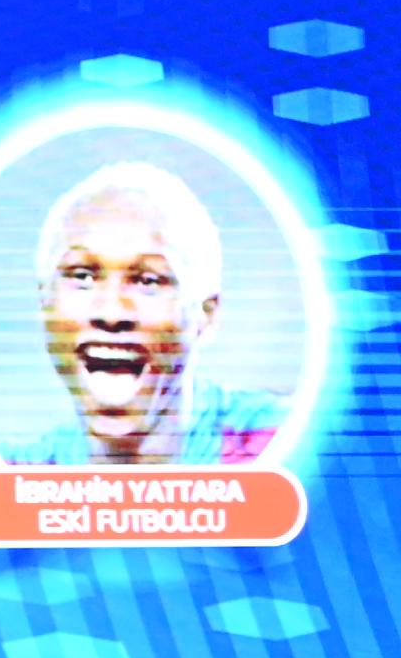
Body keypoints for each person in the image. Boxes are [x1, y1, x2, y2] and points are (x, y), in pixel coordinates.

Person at [21, 162, 284, 464]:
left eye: (148, 281)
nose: (112, 312)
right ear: (44, 302)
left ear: (206, 313)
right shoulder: (8, 474)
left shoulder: (284, 444)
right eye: (82, 276)